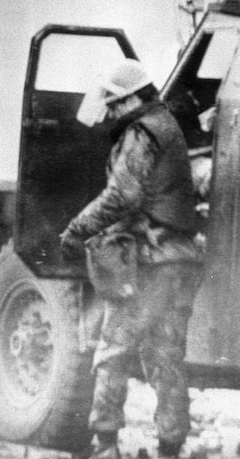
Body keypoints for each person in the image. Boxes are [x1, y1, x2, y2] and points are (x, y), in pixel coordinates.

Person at [59, 59, 202, 459]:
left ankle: (105, 444)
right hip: (180, 259)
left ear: (136, 98)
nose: (113, 111)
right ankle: (170, 448)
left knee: (113, 351)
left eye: (117, 103)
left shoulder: (142, 132)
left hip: (150, 262)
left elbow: (123, 195)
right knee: (166, 356)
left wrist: (77, 228)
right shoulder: (166, 124)